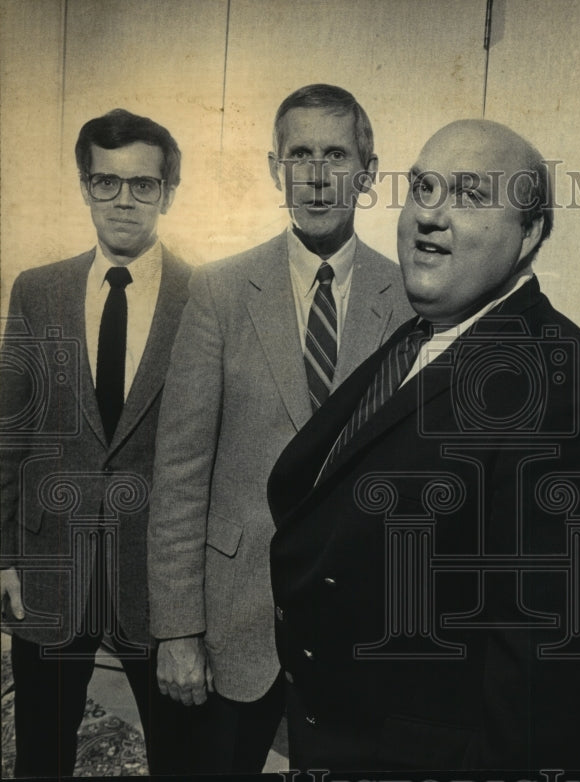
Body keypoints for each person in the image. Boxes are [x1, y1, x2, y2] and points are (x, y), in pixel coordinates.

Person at [267, 119, 580, 769]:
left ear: (529, 233)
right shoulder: (419, 341)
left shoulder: (577, 391)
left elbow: (551, 685)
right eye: (422, 188)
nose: (430, 216)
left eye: (470, 195)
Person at [146, 84, 413, 773]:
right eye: (300, 154)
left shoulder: (411, 300)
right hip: (236, 628)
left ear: (368, 169)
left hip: (358, 632)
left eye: (336, 154)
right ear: (275, 169)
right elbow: (179, 474)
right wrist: (178, 630)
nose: (318, 175)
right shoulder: (220, 292)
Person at [0, 108, 192, 776]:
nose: (123, 200)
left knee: (181, 757)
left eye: (142, 184)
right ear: (85, 186)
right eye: (106, 182)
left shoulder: (206, 299)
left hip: (156, 583)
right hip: (52, 566)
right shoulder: (37, 291)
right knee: (42, 758)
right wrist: (4, 558)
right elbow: (12, 432)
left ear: (168, 191)